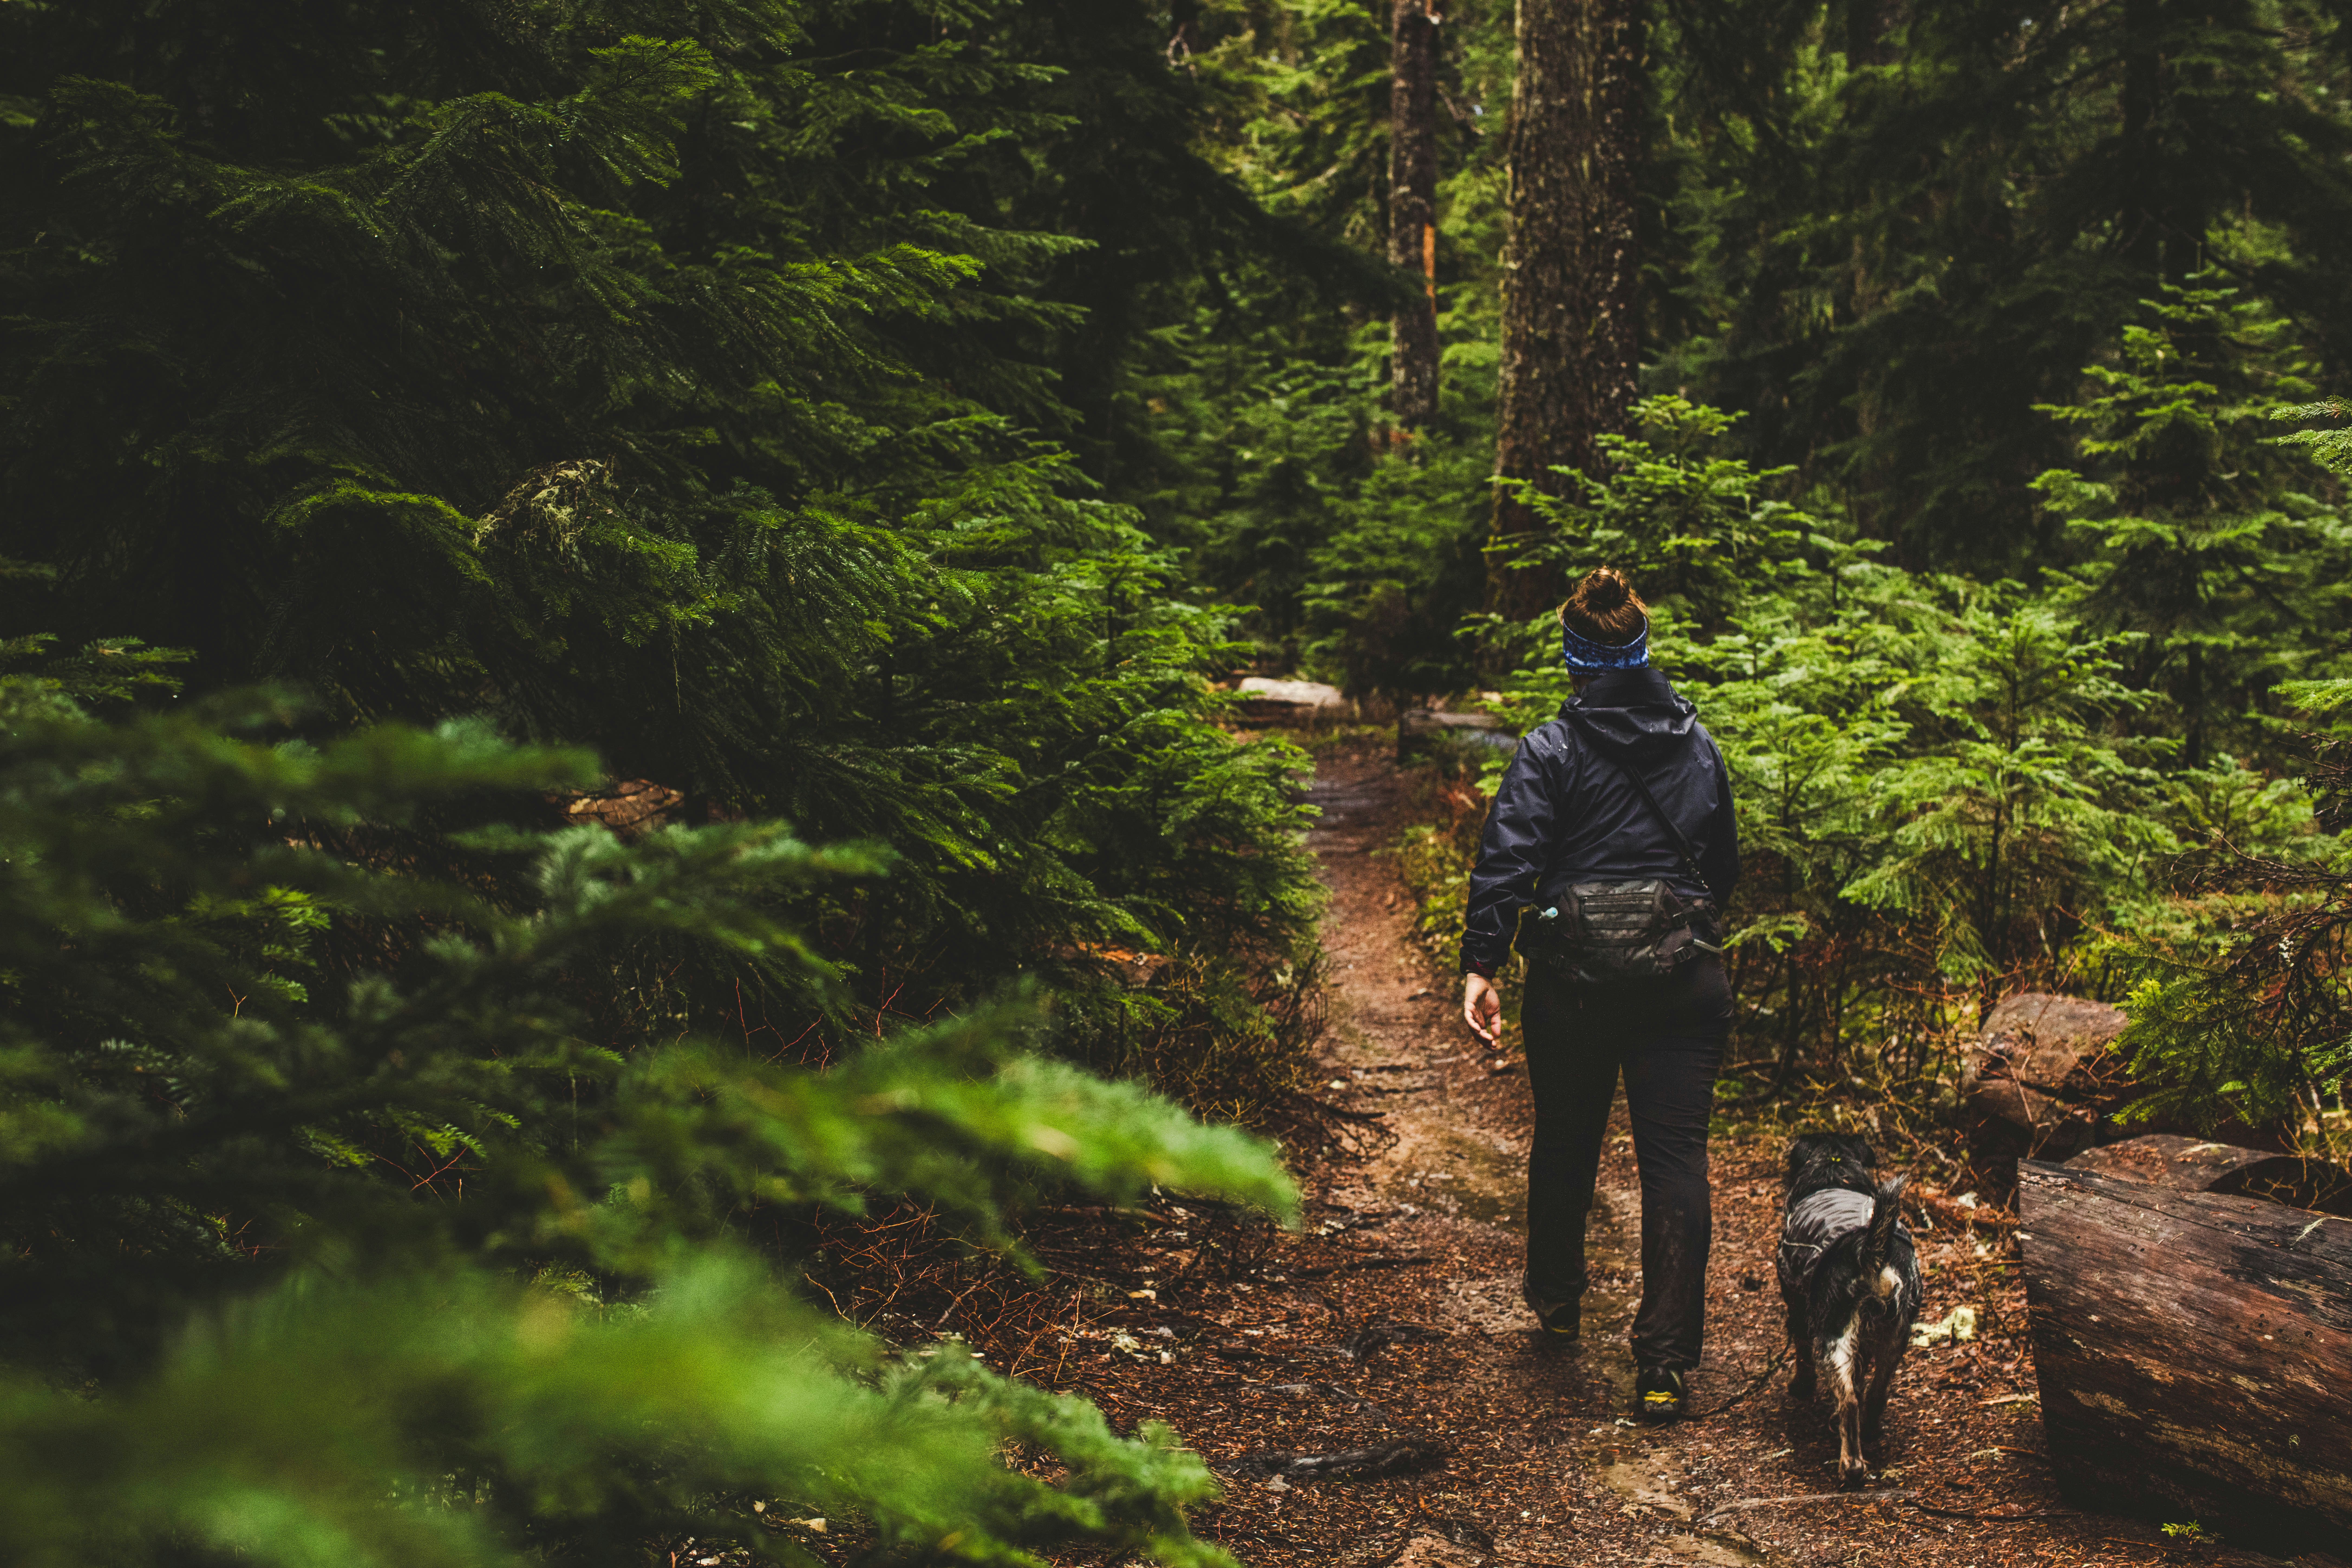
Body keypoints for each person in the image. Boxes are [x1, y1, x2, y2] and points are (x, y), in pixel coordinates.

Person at [1459, 567, 1739, 1423]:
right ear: (1642, 649)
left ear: (1576, 660)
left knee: (1568, 1143)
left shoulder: (1551, 748)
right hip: (1681, 985)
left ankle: (1557, 1299)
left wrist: (1483, 964)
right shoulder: (1698, 745)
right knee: (1674, 1161)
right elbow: (1722, 867)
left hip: (1572, 987)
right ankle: (1663, 1366)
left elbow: (1509, 859)